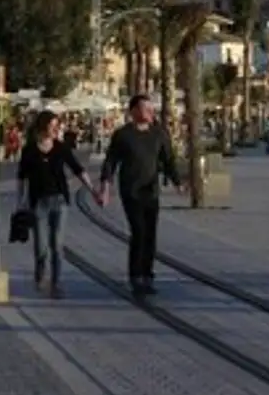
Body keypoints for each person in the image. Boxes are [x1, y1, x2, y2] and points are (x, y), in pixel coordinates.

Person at [98, 94, 182, 297]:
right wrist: (105, 188)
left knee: (150, 234)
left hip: (151, 191)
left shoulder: (159, 134)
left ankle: (147, 275)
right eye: (146, 108)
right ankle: (135, 276)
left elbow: (168, 160)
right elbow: (110, 162)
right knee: (139, 232)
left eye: (151, 108)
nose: (150, 112)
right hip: (131, 191)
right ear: (134, 111)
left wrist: (178, 182)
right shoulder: (123, 135)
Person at [17, 109, 99, 298]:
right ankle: (40, 275)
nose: (56, 129)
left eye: (57, 126)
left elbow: (78, 169)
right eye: (53, 126)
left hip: (60, 201)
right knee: (41, 246)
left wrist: (93, 190)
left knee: (57, 244)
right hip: (38, 202)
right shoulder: (29, 150)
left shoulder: (61, 148)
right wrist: (20, 202)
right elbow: (21, 178)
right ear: (42, 126)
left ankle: (56, 283)